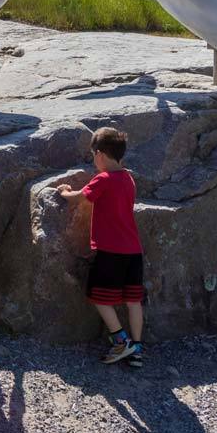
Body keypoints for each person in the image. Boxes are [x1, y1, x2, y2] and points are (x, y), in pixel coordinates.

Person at [58, 127, 145, 367]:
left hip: (111, 251)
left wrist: (64, 192)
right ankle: (137, 349)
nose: (93, 159)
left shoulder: (104, 178)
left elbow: (81, 197)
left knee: (99, 297)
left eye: (93, 154)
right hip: (133, 250)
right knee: (133, 300)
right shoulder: (128, 177)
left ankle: (121, 340)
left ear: (101, 154)